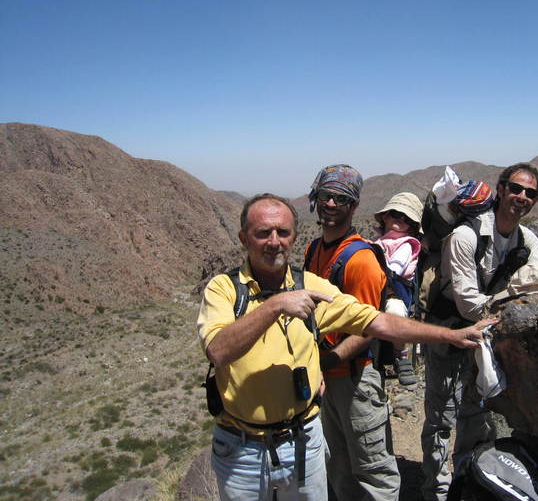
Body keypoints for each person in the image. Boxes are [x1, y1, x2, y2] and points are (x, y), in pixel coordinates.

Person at [198, 193, 493, 501]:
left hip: (303, 441)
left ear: (294, 237)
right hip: (242, 449)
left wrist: (451, 336)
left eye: (283, 232)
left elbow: (376, 321)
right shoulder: (225, 289)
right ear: (244, 238)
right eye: (263, 233)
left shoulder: (309, 286)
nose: (274, 241)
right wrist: (275, 306)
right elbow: (218, 351)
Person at [420, 163, 538, 501]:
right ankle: (435, 489)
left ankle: (466, 480)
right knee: (441, 415)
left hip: (487, 337)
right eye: (516, 189)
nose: (522, 197)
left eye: (530, 193)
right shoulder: (466, 235)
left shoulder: (528, 240)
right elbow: (467, 304)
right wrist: (510, 307)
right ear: (501, 189)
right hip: (447, 332)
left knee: (476, 411)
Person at [303, 165, 401, 501]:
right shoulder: (313, 250)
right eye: (326, 195)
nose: (331, 203)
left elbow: (368, 328)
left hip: (356, 378)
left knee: (374, 470)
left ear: (353, 206)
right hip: (327, 376)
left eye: (341, 198)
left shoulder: (360, 261)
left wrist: (327, 362)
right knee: (338, 465)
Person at [373, 191, 425, 386]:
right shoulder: (378, 241)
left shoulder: (406, 245)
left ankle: (400, 355)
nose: (400, 219)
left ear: (412, 226)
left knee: (394, 312)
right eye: (396, 214)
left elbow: (394, 269)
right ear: (386, 216)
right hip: (376, 290)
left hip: (394, 292)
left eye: (406, 218)